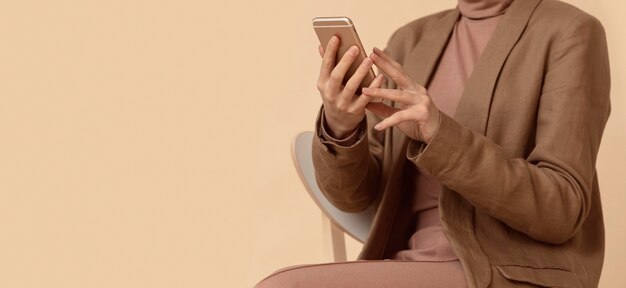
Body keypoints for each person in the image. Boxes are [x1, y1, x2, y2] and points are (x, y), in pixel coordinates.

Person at [256, 0, 610, 286]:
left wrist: (440, 133)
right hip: (403, 265)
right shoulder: (411, 39)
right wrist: (342, 125)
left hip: (506, 270)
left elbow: (563, 209)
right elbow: (354, 198)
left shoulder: (570, 31)